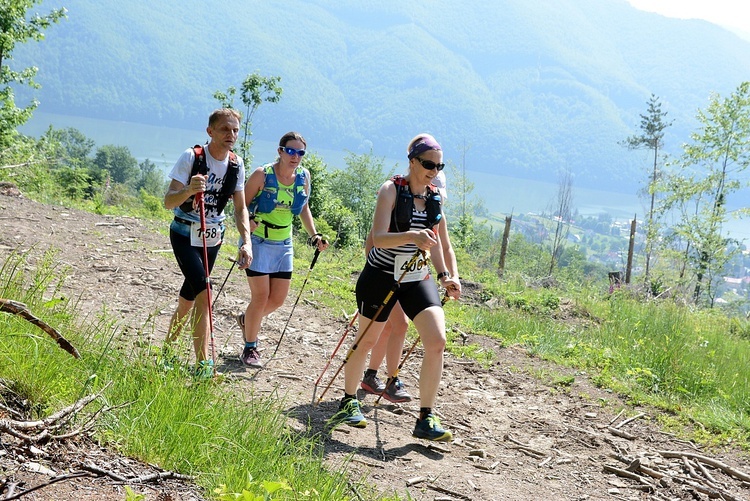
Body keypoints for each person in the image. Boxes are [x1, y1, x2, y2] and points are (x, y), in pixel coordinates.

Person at [329, 134, 461, 442]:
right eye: (429, 164)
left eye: (439, 166)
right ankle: (348, 400)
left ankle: (426, 417)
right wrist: (413, 236)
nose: (434, 170)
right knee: (367, 340)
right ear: (413, 161)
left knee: (437, 340)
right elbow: (378, 237)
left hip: (416, 277)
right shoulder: (391, 190)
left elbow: (439, 243)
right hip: (381, 274)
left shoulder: (435, 198)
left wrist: (446, 276)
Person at [163, 108, 253, 378]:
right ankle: (203, 365)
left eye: (235, 130)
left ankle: (167, 350)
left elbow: (240, 209)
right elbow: (168, 202)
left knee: (189, 298)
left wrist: (246, 241)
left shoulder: (236, 164)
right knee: (205, 293)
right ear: (210, 131)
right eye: (225, 129)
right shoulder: (191, 157)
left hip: (212, 237)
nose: (231, 135)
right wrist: (189, 190)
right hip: (184, 232)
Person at [360, 168, 456, 403]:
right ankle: (381, 377)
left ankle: (379, 377)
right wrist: (379, 273)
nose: (437, 196)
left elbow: (444, 246)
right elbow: (373, 240)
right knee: (396, 325)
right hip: (386, 276)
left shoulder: (434, 208)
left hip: (412, 278)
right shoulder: (397, 197)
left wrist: (450, 275)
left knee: (397, 326)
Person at [237, 132, 328, 368]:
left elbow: (303, 207)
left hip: (284, 244)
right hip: (258, 241)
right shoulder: (262, 175)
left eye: (300, 153)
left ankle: (248, 322)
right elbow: (241, 206)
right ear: (280, 151)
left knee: (277, 300)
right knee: (260, 298)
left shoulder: (303, 177)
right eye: (290, 151)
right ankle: (250, 347)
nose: (295, 156)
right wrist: (249, 224)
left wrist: (314, 234)